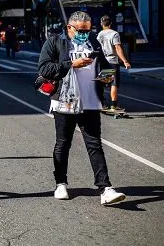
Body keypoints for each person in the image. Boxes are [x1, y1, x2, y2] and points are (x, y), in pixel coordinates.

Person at [38, 11, 126, 206]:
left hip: (91, 102)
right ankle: (60, 183)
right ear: (70, 27)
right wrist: (71, 64)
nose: (85, 33)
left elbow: (103, 65)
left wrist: (106, 76)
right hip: (64, 102)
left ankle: (105, 188)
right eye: (81, 30)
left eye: (88, 30)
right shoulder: (55, 42)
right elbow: (44, 69)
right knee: (63, 143)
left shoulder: (94, 41)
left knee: (95, 144)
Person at [97, 15, 131, 111]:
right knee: (113, 83)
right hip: (112, 61)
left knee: (102, 83)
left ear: (101, 24)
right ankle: (114, 105)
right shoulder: (114, 34)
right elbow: (118, 48)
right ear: (111, 23)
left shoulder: (99, 35)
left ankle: (101, 104)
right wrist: (125, 61)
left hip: (103, 60)